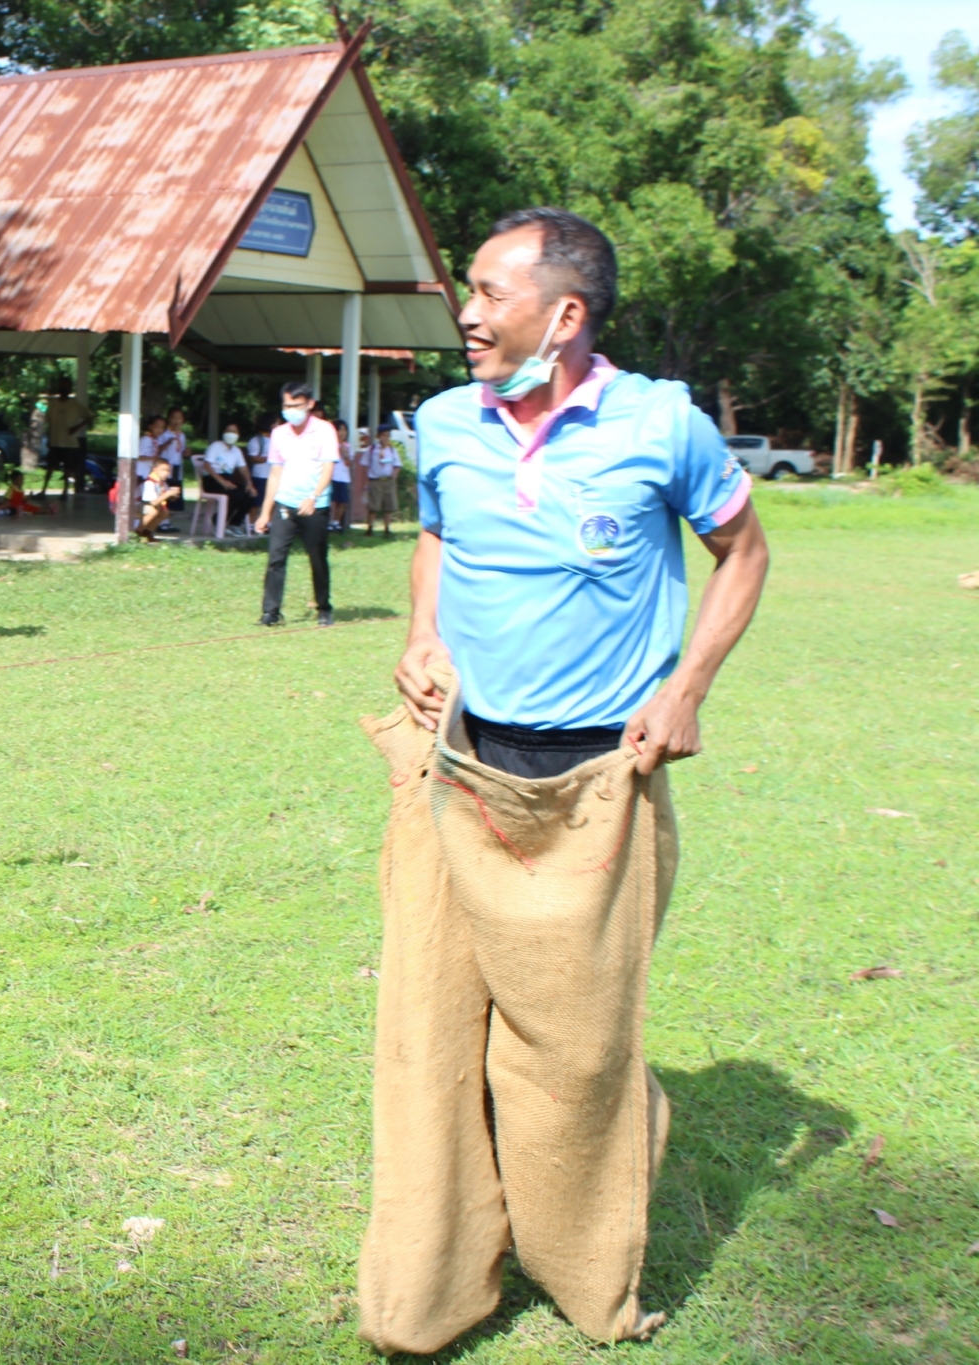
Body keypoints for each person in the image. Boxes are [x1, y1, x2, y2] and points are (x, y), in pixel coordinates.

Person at [360, 208, 768, 1354]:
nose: (466, 313)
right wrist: (420, 634)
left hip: (594, 783)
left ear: (564, 313)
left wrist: (685, 687)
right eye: (468, 291)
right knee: (433, 1035)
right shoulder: (446, 421)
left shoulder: (660, 425)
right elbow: (437, 536)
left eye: (489, 292)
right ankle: (432, 1284)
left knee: (574, 1052)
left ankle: (582, 1274)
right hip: (458, 765)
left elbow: (742, 552)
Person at [254, 382, 336, 626]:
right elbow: (275, 474)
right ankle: (271, 612)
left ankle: (324, 607)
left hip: (314, 505)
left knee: (317, 558)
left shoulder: (325, 430)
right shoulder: (279, 434)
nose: (291, 410)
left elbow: (328, 468)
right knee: (276, 558)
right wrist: (265, 512)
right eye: (287, 406)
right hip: (285, 503)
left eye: (297, 405)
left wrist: (313, 497)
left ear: (310, 404)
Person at [200, 421, 253, 531]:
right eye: (229, 431)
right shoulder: (215, 446)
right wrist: (222, 482)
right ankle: (219, 520)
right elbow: (207, 465)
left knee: (250, 495)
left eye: (234, 431)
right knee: (235, 495)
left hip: (228, 479)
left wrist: (249, 483)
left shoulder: (237, 451)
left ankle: (235, 523)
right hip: (212, 479)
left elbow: (243, 468)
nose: (231, 433)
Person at [46, 383, 91, 491]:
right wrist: (49, 437)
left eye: (66, 386)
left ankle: (65, 491)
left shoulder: (74, 403)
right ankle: (43, 490)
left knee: (68, 469)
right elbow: (48, 421)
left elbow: (89, 416)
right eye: (62, 386)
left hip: (70, 443)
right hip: (55, 441)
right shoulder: (53, 404)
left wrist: (76, 427)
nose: (63, 388)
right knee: (50, 467)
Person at [363, 423, 403, 535]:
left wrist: (394, 474)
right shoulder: (372, 450)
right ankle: (370, 528)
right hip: (375, 480)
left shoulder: (392, 450)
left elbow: (398, 465)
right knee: (373, 506)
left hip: (388, 481)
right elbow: (365, 464)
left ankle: (387, 529)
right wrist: (367, 479)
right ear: (378, 436)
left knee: (388, 506)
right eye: (383, 435)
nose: (386, 438)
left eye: (388, 436)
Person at [244, 414, 275, 531]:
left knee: (272, 500)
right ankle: (251, 523)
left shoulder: (276, 439)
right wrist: (270, 457)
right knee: (256, 502)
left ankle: (269, 522)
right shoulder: (256, 440)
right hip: (260, 475)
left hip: (272, 475)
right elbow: (254, 458)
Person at [136, 457, 178, 540]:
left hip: (146, 505)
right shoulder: (149, 482)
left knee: (165, 512)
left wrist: (173, 495)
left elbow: (163, 497)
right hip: (134, 505)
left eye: (168, 471)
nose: (166, 473)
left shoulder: (162, 483)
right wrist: (168, 494)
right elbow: (153, 502)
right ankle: (137, 532)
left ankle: (147, 532)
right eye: (163, 470)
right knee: (153, 511)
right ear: (154, 469)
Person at [328, 423, 353, 532]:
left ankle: (336, 522)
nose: (342, 433)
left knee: (342, 501)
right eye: (339, 430)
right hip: (331, 476)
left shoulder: (348, 446)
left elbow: (348, 463)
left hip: (343, 477)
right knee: (330, 500)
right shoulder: (330, 444)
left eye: (344, 430)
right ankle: (327, 521)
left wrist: (345, 453)